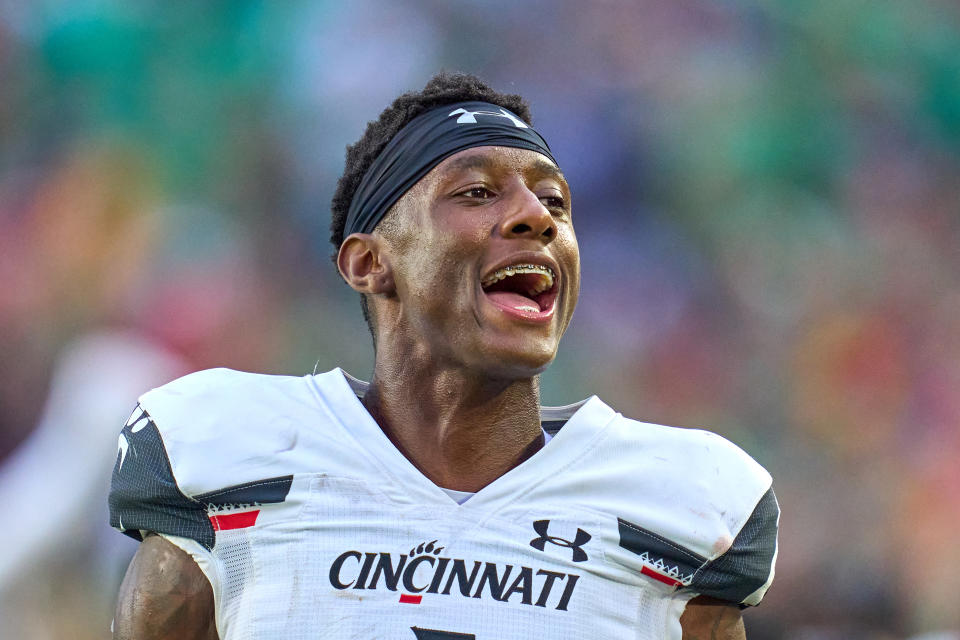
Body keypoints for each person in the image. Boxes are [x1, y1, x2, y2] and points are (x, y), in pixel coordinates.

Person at [109, 72, 778, 640]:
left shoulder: (680, 507)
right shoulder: (223, 454)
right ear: (370, 263)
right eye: (476, 192)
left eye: (554, 201)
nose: (537, 218)